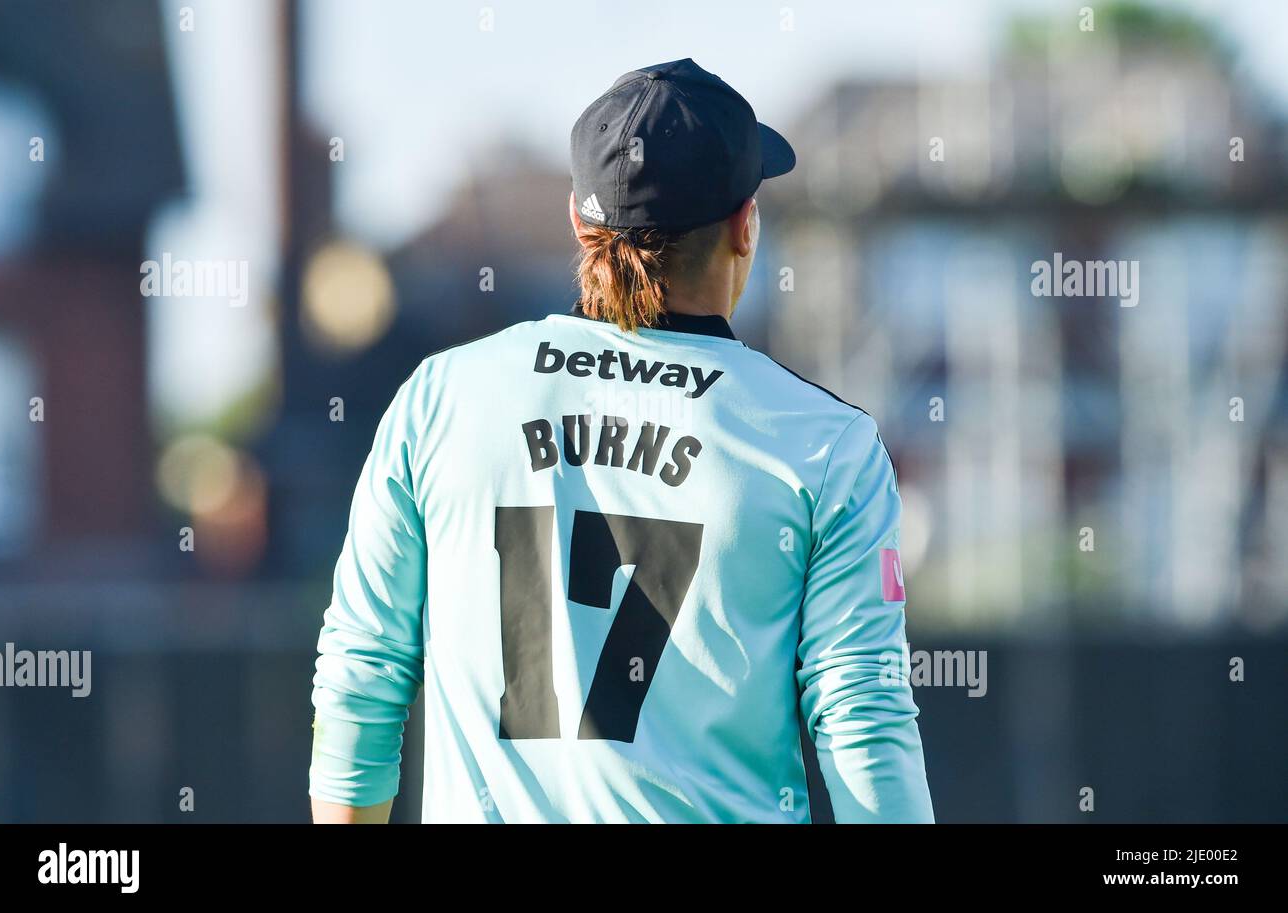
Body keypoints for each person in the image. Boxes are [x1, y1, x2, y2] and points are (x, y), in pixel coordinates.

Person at [309, 58, 933, 823]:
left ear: (579, 220)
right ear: (745, 226)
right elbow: (863, 720)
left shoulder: (439, 399)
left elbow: (361, 671)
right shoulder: (825, 446)